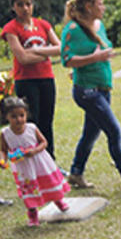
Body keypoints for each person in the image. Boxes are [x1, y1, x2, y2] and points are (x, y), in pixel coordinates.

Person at [61, 0, 121, 193]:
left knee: (90, 133)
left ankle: (76, 172)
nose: (104, 7)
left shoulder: (99, 25)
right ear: (89, 6)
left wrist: (105, 55)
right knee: (114, 130)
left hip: (103, 88)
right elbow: (66, 60)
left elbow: (101, 49)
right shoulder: (72, 29)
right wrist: (95, 58)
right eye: (100, 2)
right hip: (86, 91)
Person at [2, 0, 61, 160]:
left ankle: (50, 162)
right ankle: (32, 160)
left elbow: (61, 48)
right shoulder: (10, 28)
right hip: (26, 80)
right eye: (20, 5)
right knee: (30, 123)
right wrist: (46, 52)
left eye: (28, 4)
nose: (25, 8)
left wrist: (35, 51)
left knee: (47, 122)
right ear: (13, 7)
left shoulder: (43, 25)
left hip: (46, 78)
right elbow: (22, 58)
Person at [1, 96, 70, 226]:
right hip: (24, 168)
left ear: (26, 114)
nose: (19, 119)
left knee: (48, 183)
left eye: (22, 115)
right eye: (14, 116)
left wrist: (35, 151)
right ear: (6, 117)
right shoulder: (5, 133)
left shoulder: (32, 128)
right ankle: (32, 214)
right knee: (29, 190)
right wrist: (3, 160)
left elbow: (44, 142)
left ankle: (58, 200)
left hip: (41, 163)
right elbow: (3, 150)